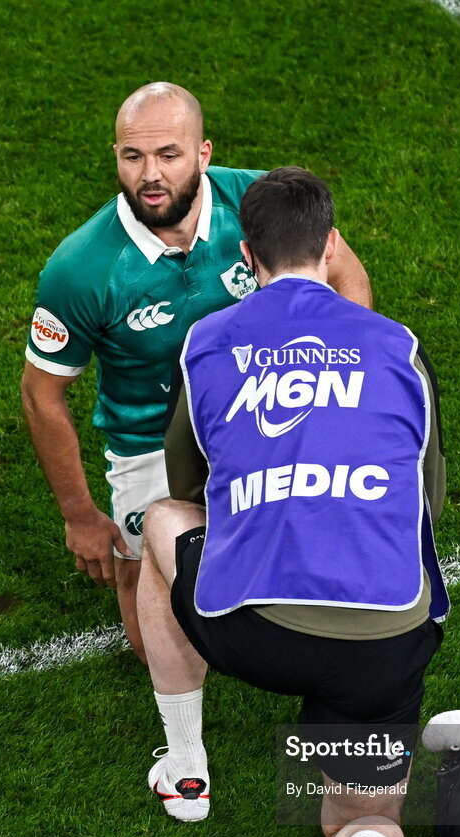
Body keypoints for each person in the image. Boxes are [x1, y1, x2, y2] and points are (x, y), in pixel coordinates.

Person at [136, 167, 448, 837]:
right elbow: (424, 502)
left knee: (162, 524)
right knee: (359, 810)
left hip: (258, 632)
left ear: (248, 257)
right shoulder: (399, 347)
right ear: (332, 244)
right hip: (385, 635)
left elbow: (185, 486)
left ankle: (187, 769)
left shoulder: (208, 343)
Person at [21, 83, 371, 662]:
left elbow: (347, 275)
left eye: (169, 155)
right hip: (149, 438)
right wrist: (80, 516)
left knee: (311, 571)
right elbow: (42, 397)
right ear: (115, 156)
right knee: (150, 622)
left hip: (263, 412)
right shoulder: (81, 268)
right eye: (133, 157)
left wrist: (334, 389)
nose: (150, 175)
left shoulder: (257, 205)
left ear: (203, 154)